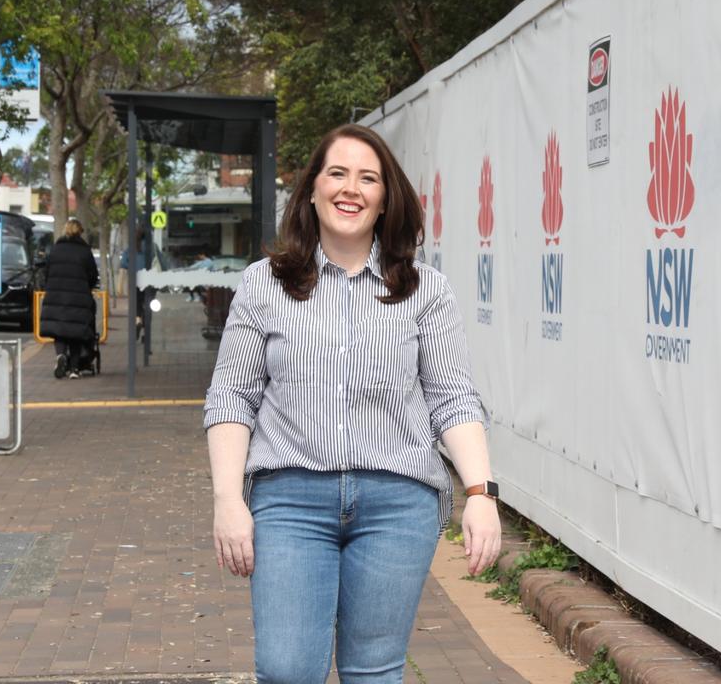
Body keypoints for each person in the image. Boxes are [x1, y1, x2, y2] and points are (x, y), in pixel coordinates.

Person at [204, 123, 501, 683]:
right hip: (289, 502)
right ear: (311, 190)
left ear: (386, 198)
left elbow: (452, 399)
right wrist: (227, 500)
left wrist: (481, 494)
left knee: (373, 672)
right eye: (337, 173)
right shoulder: (262, 285)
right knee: (288, 670)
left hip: (397, 504)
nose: (351, 188)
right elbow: (232, 399)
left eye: (369, 178)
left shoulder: (426, 291)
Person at [39, 218, 98, 379]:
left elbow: (47, 271)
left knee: (60, 331)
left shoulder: (56, 249)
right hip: (78, 298)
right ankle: (74, 369)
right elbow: (93, 275)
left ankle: (60, 356)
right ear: (80, 232)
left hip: (56, 296)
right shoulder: (85, 251)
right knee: (76, 332)